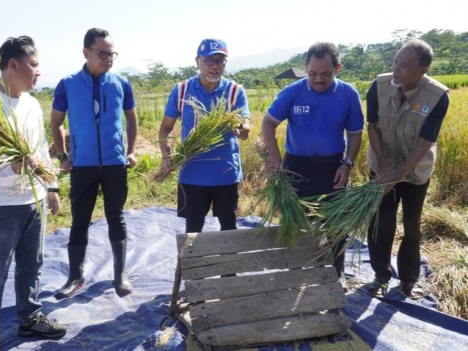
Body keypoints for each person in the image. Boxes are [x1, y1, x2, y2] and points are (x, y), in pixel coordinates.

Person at [0, 36, 66, 351]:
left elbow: (40, 151)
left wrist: (50, 186)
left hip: (32, 202)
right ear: (14, 64)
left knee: (32, 266)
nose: (38, 72)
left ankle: (29, 318)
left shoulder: (32, 104)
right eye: (34, 65)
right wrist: (12, 166)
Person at [261, 42, 364, 288]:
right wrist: (274, 156)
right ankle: (297, 274)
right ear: (305, 67)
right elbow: (268, 123)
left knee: (336, 226)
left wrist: (347, 164)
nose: (318, 79)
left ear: (337, 68)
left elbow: (355, 134)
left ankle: (335, 277)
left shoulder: (348, 94)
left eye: (326, 74)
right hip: (297, 167)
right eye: (313, 73)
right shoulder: (293, 92)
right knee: (296, 223)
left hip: (333, 168)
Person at [51, 28, 138, 300]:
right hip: (83, 165)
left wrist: (131, 151)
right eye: (102, 53)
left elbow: (132, 120)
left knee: (117, 217)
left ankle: (120, 274)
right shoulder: (68, 84)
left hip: (114, 163)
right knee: (80, 220)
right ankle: (75, 276)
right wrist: (64, 156)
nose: (108, 58)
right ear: (86, 52)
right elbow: (56, 122)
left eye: (111, 54)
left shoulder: (121, 83)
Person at [366, 39, 449, 297]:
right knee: (380, 221)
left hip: (415, 171)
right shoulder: (379, 85)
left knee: (411, 225)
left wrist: (399, 174)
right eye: (395, 63)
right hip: (381, 165)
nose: (396, 70)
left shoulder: (437, 95)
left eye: (403, 65)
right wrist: (382, 168)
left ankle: (408, 279)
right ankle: (380, 275)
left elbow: (426, 141)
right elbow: (373, 126)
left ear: (422, 69)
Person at [158, 38, 250, 235]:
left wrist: (240, 129)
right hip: (193, 173)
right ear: (197, 61)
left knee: (229, 229)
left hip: (225, 173)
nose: (215, 67)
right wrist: (166, 158)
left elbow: (245, 130)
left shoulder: (234, 91)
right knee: (193, 230)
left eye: (220, 61)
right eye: (209, 60)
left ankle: (226, 266)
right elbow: (165, 128)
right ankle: (189, 266)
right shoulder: (182, 90)